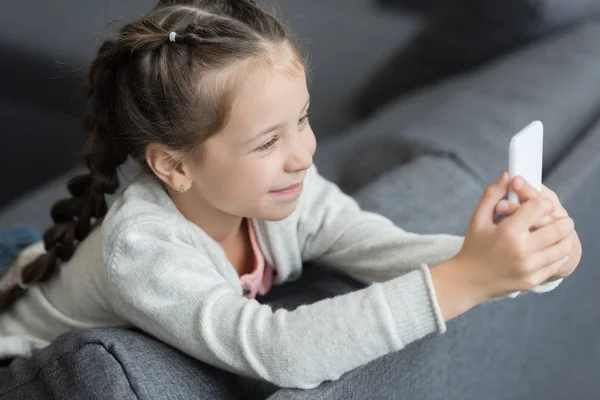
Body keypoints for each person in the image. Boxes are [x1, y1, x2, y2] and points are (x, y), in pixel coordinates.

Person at [0, 0, 581, 389]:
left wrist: (532, 261)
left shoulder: (289, 193)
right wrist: (471, 278)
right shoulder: (142, 250)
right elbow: (284, 353)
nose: (304, 153)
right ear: (174, 166)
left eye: (301, 119)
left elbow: (383, 248)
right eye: (267, 141)